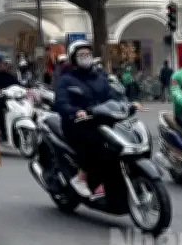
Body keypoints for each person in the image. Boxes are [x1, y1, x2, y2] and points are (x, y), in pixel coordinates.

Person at [54, 40, 139, 197]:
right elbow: (61, 103)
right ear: (73, 58)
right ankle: (81, 178)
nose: (86, 57)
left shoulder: (100, 76)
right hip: (77, 123)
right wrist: (76, 111)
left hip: (101, 118)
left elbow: (113, 95)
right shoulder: (66, 79)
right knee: (95, 143)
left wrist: (127, 104)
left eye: (88, 54)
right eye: (81, 55)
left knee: (120, 140)